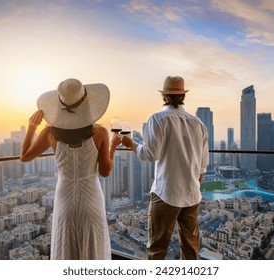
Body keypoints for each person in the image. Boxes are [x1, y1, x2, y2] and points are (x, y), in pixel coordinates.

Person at [20, 78, 121, 260]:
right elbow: (105, 172)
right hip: (90, 197)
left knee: (66, 246)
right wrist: (112, 148)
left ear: (60, 106)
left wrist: (32, 127)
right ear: (87, 104)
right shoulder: (100, 133)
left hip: (64, 197)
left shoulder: (49, 133)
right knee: (93, 246)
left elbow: (24, 156)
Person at [122, 76, 209, 260]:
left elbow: (150, 154)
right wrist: (193, 186)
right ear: (183, 96)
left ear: (164, 96)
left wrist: (131, 144)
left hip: (166, 194)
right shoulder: (198, 123)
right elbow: (202, 165)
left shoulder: (158, 119)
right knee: (191, 249)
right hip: (192, 196)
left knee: (157, 249)